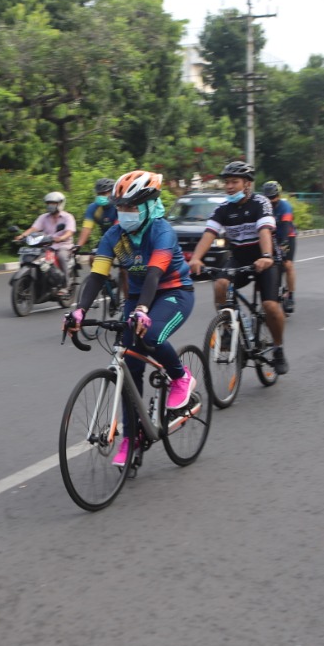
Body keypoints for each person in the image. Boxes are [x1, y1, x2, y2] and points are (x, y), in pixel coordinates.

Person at [63, 170, 196, 466]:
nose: (124, 213)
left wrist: (143, 310)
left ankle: (180, 377)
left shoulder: (161, 231)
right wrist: (79, 310)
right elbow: (97, 275)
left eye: (132, 207)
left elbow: (154, 274)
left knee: (148, 337)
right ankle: (131, 436)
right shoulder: (115, 235)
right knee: (128, 366)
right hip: (137, 298)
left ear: (150, 206)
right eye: (120, 207)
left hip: (173, 292)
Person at [187, 161, 289, 375]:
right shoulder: (223, 208)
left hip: (265, 258)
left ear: (247, 184)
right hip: (240, 258)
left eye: (234, 182)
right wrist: (196, 259)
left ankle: (278, 348)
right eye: (227, 182)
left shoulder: (261, 203)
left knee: (270, 306)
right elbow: (209, 234)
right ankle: (228, 328)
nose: (229, 186)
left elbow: (264, 230)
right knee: (221, 284)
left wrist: (267, 256)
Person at [12, 191, 76, 300]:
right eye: (48, 203)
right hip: (47, 246)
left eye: (53, 203)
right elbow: (34, 229)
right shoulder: (43, 217)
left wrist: (61, 238)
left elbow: (69, 232)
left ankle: (66, 285)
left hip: (63, 245)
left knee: (61, 256)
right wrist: (22, 236)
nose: (50, 205)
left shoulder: (68, 217)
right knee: (35, 258)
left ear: (60, 203)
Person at [262, 180, 298, 313]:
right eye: (268, 197)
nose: (271, 200)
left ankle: (290, 296)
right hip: (270, 237)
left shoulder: (285, 206)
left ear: (279, 195)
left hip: (287, 235)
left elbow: (286, 226)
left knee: (287, 265)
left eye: (273, 197)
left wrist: (283, 244)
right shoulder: (263, 206)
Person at [75, 178, 117, 250]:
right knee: (92, 257)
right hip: (105, 239)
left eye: (104, 193)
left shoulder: (120, 206)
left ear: (113, 192)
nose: (101, 196)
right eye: (99, 194)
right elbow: (87, 228)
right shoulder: (93, 208)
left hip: (122, 238)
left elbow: (117, 229)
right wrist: (78, 246)